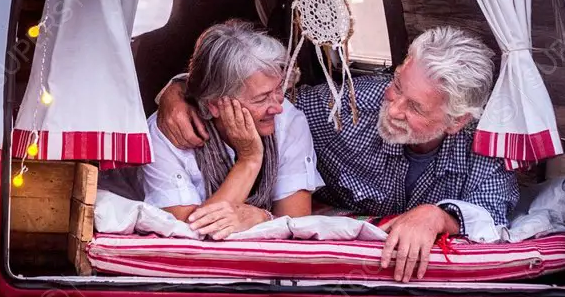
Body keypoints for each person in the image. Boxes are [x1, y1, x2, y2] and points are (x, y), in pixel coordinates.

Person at [157, 25, 518, 282]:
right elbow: (259, 97)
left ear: (457, 121)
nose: (392, 109)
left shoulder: (485, 144)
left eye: (416, 108)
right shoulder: (349, 108)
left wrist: (437, 217)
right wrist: (179, 91)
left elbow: (495, 209)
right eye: (396, 87)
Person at [140, 20, 323, 240]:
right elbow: (194, 235)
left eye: (278, 90)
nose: (277, 106)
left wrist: (262, 218)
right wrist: (249, 159)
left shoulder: (288, 120)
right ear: (215, 105)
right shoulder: (167, 135)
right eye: (262, 98)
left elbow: (297, 223)